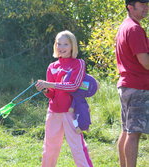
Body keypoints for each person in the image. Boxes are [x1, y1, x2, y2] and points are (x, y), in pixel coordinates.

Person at [35, 30, 93, 167]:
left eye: (66, 44)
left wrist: (48, 84)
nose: (62, 48)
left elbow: (72, 86)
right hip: (53, 112)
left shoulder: (78, 63)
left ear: (72, 46)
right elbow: (52, 93)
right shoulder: (52, 66)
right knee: (49, 148)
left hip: (71, 112)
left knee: (77, 148)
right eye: (59, 44)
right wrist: (45, 89)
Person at [115, 0, 149, 167]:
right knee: (133, 133)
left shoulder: (124, 26)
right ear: (130, 6)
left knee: (127, 131)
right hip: (137, 87)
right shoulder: (135, 29)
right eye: (142, 4)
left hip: (127, 86)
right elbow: (145, 62)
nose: (146, 7)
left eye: (147, 4)